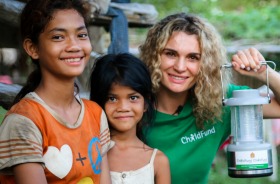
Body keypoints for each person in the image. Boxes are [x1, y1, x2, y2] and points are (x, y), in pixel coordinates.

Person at [139, 12, 280, 184]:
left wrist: (265, 72)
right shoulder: (132, 106)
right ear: (153, 55)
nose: (180, 67)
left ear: (207, 64)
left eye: (193, 57)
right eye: (170, 54)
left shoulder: (221, 101)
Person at [0, 0, 112, 183]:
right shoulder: (24, 122)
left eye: (82, 35)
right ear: (32, 48)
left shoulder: (95, 114)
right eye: (58, 37)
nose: (74, 46)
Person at [89, 53, 171, 184]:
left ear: (146, 103)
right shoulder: (88, 154)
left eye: (133, 98)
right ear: (99, 102)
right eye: (112, 98)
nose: (123, 107)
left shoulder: (157, 161)